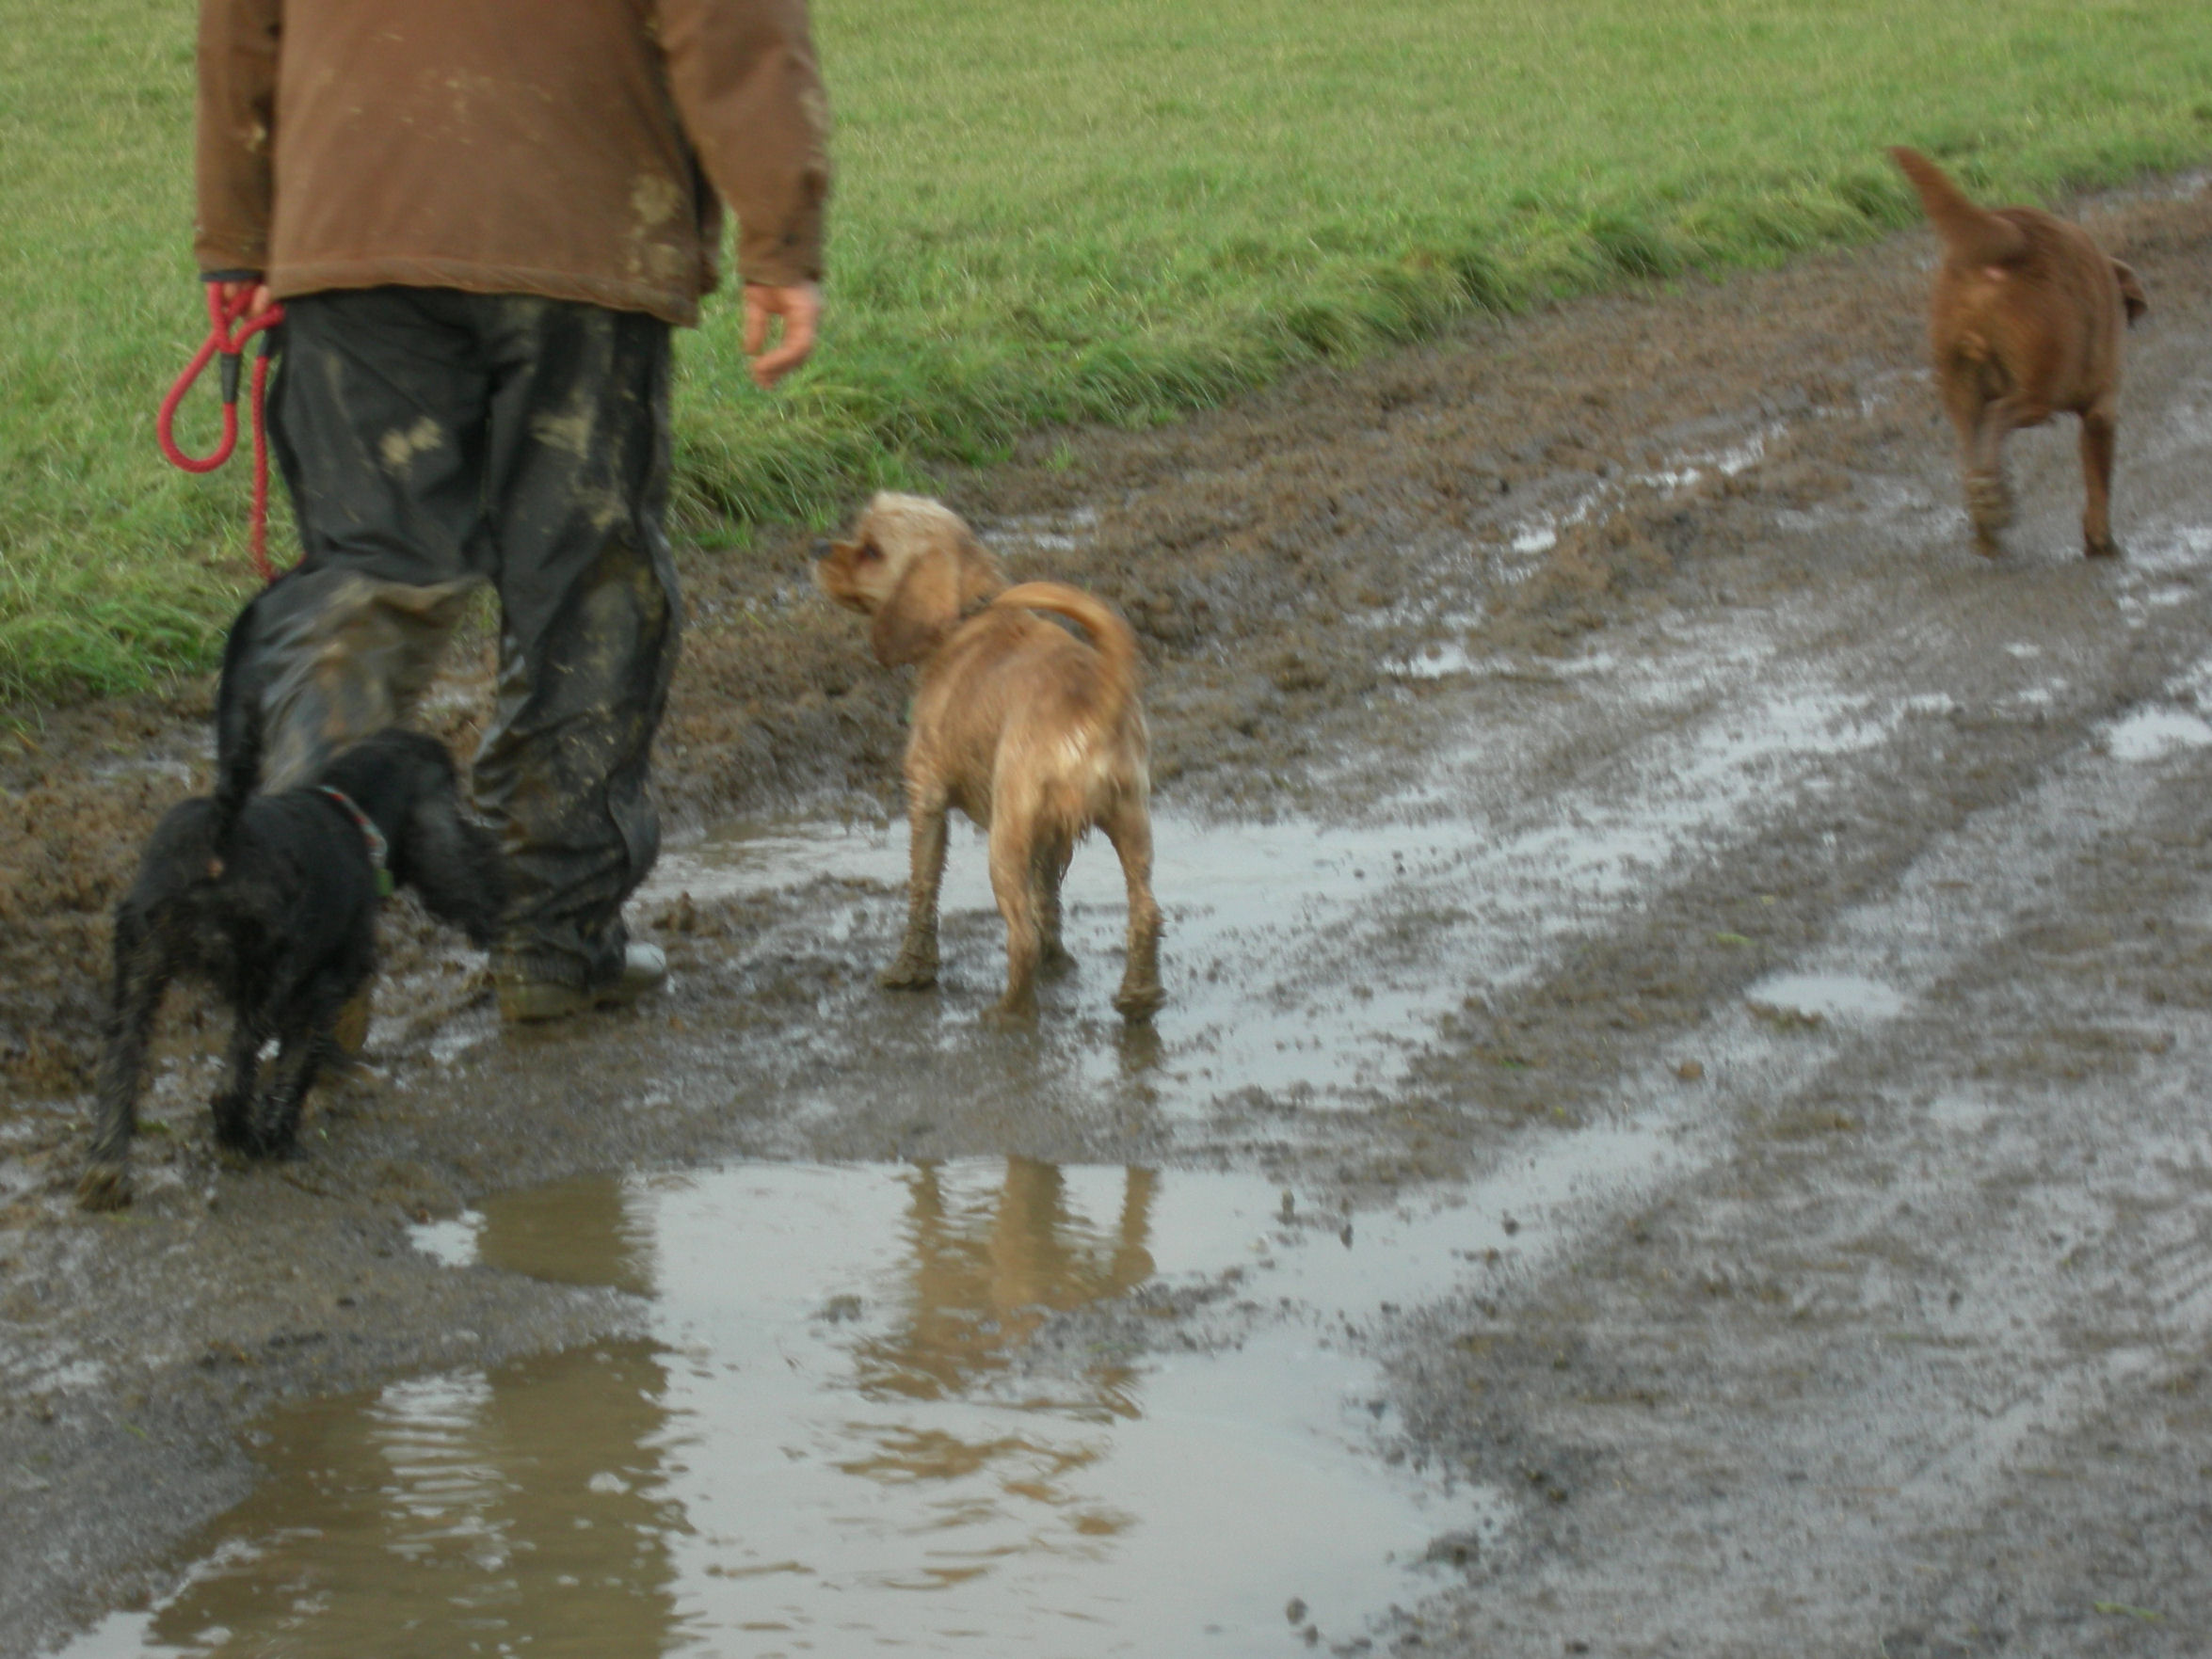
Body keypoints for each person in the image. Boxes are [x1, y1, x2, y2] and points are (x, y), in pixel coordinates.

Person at [194, 0, 829, 1022]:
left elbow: (239, 21)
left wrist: (234, 233)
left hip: (353, 217)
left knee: (369, 578)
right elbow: (729, 18)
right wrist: (783, 234)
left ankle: (299, 940)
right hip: (577, 225)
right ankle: (552, 939)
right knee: (586, 585)